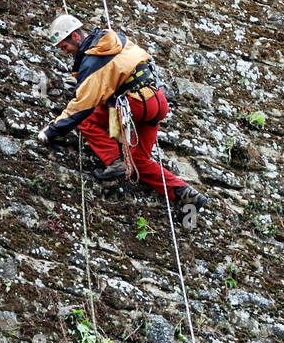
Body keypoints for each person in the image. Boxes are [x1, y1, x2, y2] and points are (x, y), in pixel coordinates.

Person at [36, 14, 206, 219]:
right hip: (157, 102)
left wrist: (51, 130)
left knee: (86, 119)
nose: (65, 52)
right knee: (138, 161)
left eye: (65, 47)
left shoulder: (93, 61)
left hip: (133, 104)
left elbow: (81, 106)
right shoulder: (117, 39)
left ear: (75, 36)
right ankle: (185, 193)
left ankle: (115, 160)